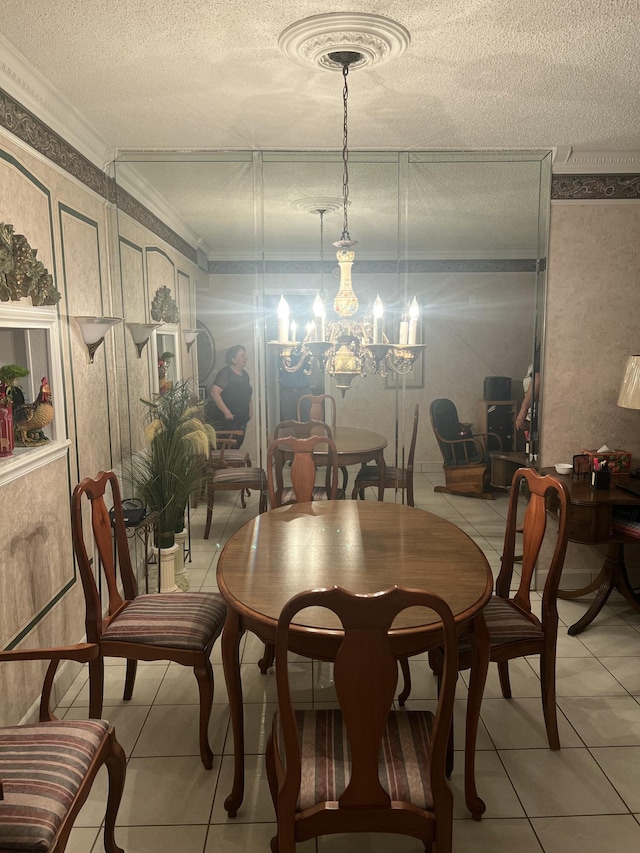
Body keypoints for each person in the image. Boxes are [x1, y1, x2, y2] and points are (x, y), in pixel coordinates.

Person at [208, 345, 253, 447]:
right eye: (241, 356)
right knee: (228, 448)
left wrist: (250, 409)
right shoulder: (225, 373)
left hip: (242, 419)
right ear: (233, 359)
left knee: (237, 445)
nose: (245, 358)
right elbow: (214, 392)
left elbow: (248, 393)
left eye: (245, 355)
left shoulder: (245, 374)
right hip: (228, 421)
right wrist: (226, 412)